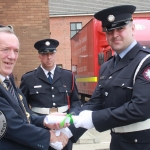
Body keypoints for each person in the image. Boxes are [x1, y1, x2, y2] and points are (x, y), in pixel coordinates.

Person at [68, 5, 150, 150]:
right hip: (117, 143)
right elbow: (95, 103)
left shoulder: (145, 62)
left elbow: (140, 108)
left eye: (120, 29)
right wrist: (68, 130)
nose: (115, 35)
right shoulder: (107, 66)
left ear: (132, 29)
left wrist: (93, 119)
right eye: (110, 31)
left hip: (142, 144)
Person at [0, 26, 69, 150]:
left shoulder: (8, 81)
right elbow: (11, 125)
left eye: (16, 51)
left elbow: (24, 114)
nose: (12, 56)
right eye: (5, 49)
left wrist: (45, 120)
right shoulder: (27, 78)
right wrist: (48, 136)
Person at [20, 38, 81, 150]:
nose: (49, 57)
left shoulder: (68, 76)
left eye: (51, 53)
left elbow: (76, 101)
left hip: (64, 127)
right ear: (39, 56)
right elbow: (22, 106)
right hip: (40, 129)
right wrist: (35, 121)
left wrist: (70, 119)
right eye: (45, 54)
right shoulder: (28, 78)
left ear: (55, 54)